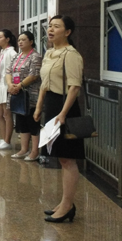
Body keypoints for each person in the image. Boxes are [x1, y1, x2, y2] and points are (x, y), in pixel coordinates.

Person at [34, 15, 84, 223]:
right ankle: (65, 202)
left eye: (56, 27)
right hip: (52, 105)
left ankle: (67, 205)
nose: (51, 30)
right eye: (50, 26)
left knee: (67, 159)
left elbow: (74, 87)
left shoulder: (70, 55)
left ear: (68, 32)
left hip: (66, 108)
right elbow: (44, 83)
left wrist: (62, 114)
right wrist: (38, 107)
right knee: (61, 158)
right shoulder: (50, 53)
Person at [7, 31, 42, 161]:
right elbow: (8, 71)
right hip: (18, 95)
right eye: (19, 40)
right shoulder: (17, 56)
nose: (20, 42)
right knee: (21, 122)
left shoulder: (35, 57)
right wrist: (10, 84)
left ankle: (34, 151)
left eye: (24, 40)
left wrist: (19, 85)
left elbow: (34, 75)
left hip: (31, 95)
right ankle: (23, 149)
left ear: (31, 41)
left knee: (32, 123)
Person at [0, 29, 18, 150]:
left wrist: (10, 85)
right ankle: (3, 138)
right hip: (0, 86)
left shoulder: (12, 53)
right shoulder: (2, 51)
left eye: (0, 37)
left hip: (7, 86)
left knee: (7, 115)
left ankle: (7, 141)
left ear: (7, 39)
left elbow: (13, 71)